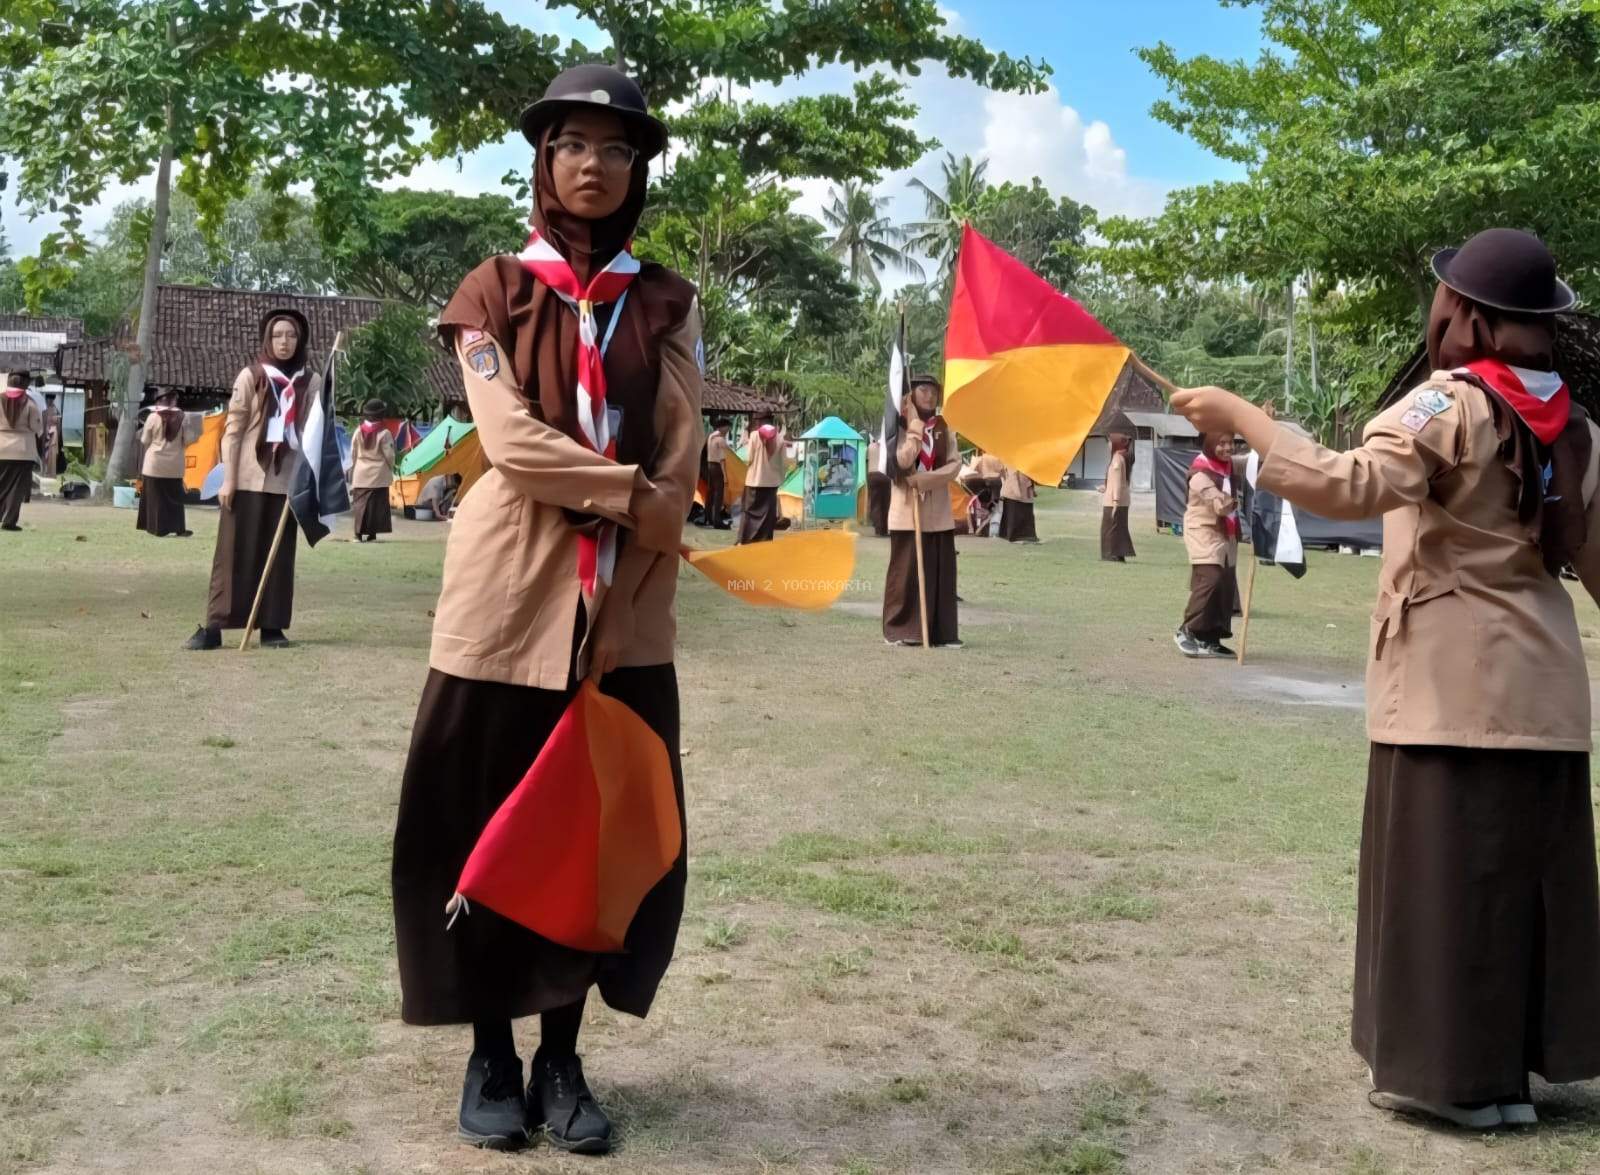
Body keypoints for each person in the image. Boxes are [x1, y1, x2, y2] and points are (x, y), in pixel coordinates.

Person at [1172, 227, 1600, 1131]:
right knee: (1520, 883)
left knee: (1448, 888)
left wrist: (1242, 415)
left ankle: (1454, 1083)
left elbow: (1351, 484)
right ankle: (1511, 1079)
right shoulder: (1579, 428)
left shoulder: (1451, 404)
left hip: (1448, 690)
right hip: (1547, 695)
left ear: (1467, 315)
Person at [390, 64, 701, 1156]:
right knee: (483, 820)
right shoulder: (491, 291)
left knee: (594, 835)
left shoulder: (665, 302)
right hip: (507, 598)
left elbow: (682, 446)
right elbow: (512, 444)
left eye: (617, 149)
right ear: (542, 160)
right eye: (572, 144)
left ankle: (561, 1057)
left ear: (636, 172)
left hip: (627, 605)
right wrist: (635, 497)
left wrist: (639, 554)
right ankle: (491, 1052)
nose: (593, 165)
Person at [184, 309, 316, 651]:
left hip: (285, 481)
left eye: (291, 335)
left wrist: (307, 480)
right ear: (267, 339)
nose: (284, 342)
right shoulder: (251, 376)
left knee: (279, 557)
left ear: (300, 340)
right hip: (245, 478)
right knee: (232, 554)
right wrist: (228, 478)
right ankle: (215, 626)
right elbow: (234, 429)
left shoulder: (310, 382)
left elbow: (313, 433)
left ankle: (272, 626)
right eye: (277, 335)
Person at [883, 375, 961, 647]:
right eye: (923, 390)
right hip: (907, 513)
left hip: (938, 513)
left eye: (933, 391)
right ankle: (901, 630)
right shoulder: (898, 426)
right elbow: (903, 460)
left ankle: (941, 633)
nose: (929, 396)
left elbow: (954, 465)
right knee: (905, 575)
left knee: (940, 574)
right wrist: (916, 428)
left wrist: (924, 480)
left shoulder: (944, 427)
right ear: (911, 395)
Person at [1175, 432, 1239, 658]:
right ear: (1210, 445)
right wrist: (1234, 501)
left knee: (1225, 586)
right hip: (1203, 533)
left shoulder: (1228, 466)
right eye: (1221, 443)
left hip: (1226, 535)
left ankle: (1210, 638)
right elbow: (1219, 505)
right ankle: (1187, 630)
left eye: (1230, 442)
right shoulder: (1200, 473)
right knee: (1211, 578)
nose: (1227, 448)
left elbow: (1255, 462)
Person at [136, 390, 201, 537]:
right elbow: (188, 440)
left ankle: (157, 528)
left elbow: (145, 440)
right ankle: (179, 529)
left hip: (154, 465)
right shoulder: (183, 417)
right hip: (175, 466)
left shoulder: (153, 417)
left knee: (155, 499)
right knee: (176, 499)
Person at [1, 371, 43, 531]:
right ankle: (9, 521)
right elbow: (36, 427)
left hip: (1, 447)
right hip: (23, 451)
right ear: (25, 383)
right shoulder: (30, 402)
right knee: (16, 488)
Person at [350, 399, 397, 542]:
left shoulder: (358, 430)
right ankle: (372, 535)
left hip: (361, 474)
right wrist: (391, 467)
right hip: (378, 475)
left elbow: (353, 452)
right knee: (376, 507)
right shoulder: (385, 433)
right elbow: (389, 455)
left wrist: (354, 467)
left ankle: (357, 535)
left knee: (360, 506)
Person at [737, 411, 783, 543]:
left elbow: (749, 458)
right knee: (768, 515)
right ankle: (764, 540)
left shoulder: (754, 435)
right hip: (772, 482)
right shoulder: (779, 437)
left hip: (754, 480)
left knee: (749, 511)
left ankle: (746, 539)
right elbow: (782, 462)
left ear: (759, 421)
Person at [1100, 432, 1136, 561]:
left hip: (1114, 501)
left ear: (1116, 444)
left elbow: (1116, 481)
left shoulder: (1117, 458)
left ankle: (1111, 555)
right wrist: (1105, 487)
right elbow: (1120, 480)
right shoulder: (1124, 457)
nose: (1109, 445)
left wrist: (1115, 500)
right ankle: (1119, 555)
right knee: (1120, 528)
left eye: (1110, 442)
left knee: (1109, 529)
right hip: (1122, 499)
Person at [998, 465, 1039, 543]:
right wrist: (1018, 493)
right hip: (1014, 494)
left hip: (1025, 493)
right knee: (1014, 516)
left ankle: (1028, 535)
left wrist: (1032, 490)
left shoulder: (1025, 464)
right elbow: (1013, 478)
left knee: (1027, 515)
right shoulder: (1013, 464)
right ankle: (1014, 536)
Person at [703, 417, 731, 529]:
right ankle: (717, 521)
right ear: (722, 427)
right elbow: (728, 453)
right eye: (727, 428)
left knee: (710, 492)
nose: (728, 430)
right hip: (716, 466)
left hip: (709, 465)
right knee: (718, 494)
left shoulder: (710, 437)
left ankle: (708, 518)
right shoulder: (720, 439)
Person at [866, 434, 891, 537]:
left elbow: (866, 461)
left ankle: (878, 529)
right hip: (885, 476)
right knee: (886, 503)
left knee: (875, 503)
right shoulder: (887, 447)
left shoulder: (870, 447)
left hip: (872, 475)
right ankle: (885, 529)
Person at [42, 392, 63, 477]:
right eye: (48, 399)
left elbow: (58, 424)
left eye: (51, 399)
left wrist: (59, 435)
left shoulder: (56, 410)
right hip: (45, 432)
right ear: (46, 399)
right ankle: (44, 471)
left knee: (53, 453)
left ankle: (52, 472)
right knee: (44, 453)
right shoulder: (44, 409)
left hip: (54, 434)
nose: (50, 401)